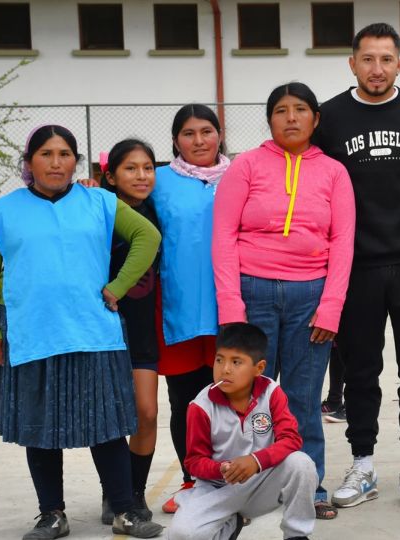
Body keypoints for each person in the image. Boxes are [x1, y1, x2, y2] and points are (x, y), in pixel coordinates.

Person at [0, 125, 164, 539]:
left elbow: (147, 237)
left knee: (106, 425)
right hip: (31, 335)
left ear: (75, 161)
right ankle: (52, 515)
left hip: (94, 332)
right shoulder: (2, 212)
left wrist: (118, 287)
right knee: (40, 429)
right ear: (29, 163)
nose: (56, 162)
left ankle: (125, 511)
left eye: (64, 154)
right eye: (45, 154)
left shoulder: (100, 202)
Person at [213, 82, 356, 520]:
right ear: (269, 119)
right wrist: (232, 309)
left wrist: (331, 306)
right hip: (252, 294)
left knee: (302, 400)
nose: (290, 117)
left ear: (315, 118)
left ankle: (308, 488)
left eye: (300, 109)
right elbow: (223, 236)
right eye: (280, 110)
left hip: (310, 300)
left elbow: (343, 241)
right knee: (247, 399)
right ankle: (244, 489)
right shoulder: (246, 166)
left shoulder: (334, 172)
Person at [313, 22, 400, 509]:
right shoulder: (330, 118)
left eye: (387, 59)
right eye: (368, 59)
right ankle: (362, 463)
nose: (377, 69)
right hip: (356, 266)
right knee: (361, 372)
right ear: (352, 63)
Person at [169, 323, 317, 540]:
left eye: (236, 362)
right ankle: (230, 523)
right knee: (182, 535)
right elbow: (194, 461)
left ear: (259, 368)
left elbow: (291, 438)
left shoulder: (271, 392)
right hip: (217, 489)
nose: (225, 369)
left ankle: (297, 534)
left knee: (301, 464)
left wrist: (255, 461)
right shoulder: (200, 406)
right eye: (219, 360)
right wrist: (223, 469)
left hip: (261, 482)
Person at [152, 104, 229, 514]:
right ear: (175, 141)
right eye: (188, 133)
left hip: (230, 307)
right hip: (178, 311)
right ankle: (192, 478)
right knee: (186, 400)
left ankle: (233, 476)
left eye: (206, 131)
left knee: (231, 398)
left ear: (220, 134)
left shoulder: (241, 174)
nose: (198, 141)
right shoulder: (159, 180)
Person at [101, 139, 162, 523]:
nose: (141, 176)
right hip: (103, 324)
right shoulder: (97, 209)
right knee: (108, 416)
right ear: (109, 175)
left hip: (142, 326)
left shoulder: (158, 209)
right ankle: (115, 494)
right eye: (130, 168)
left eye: (148, 168)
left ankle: (134, 492)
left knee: (147, 412)